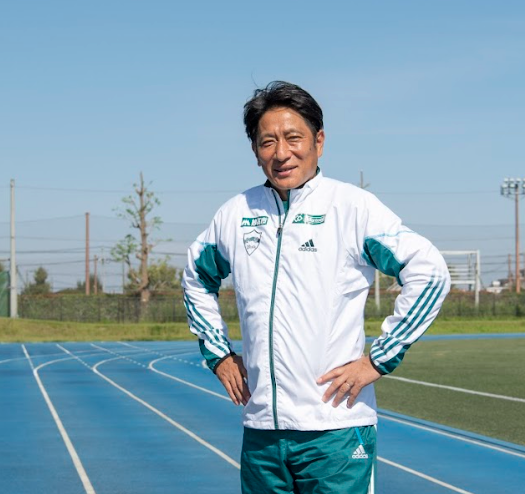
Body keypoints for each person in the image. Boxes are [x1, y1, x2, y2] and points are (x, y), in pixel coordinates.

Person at [181, 81, 450, 493]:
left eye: (293, 138)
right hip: (262, 433)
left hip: (335, 429)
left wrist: (379, 359)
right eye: (267, 141)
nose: (281, 153)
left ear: (318, 141)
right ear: (255, 150)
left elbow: (429, 272)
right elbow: (196, 277)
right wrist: (218, 354)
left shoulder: (351, 207)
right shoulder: (235, 214)